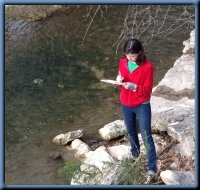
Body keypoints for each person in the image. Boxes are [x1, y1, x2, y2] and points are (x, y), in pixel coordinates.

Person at [116, 38, 157, 183]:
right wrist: (119, 80)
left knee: (146, 136)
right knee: (131, 132)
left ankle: (152, 169)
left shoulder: (148, 67)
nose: (130, 58)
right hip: (126, 103)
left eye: (133, 55)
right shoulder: (123, 62)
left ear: (140, 53)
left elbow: (147, 91)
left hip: (142, 105)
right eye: (127, 54)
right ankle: (135, 156)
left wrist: (133, 86)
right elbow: (122, 78)